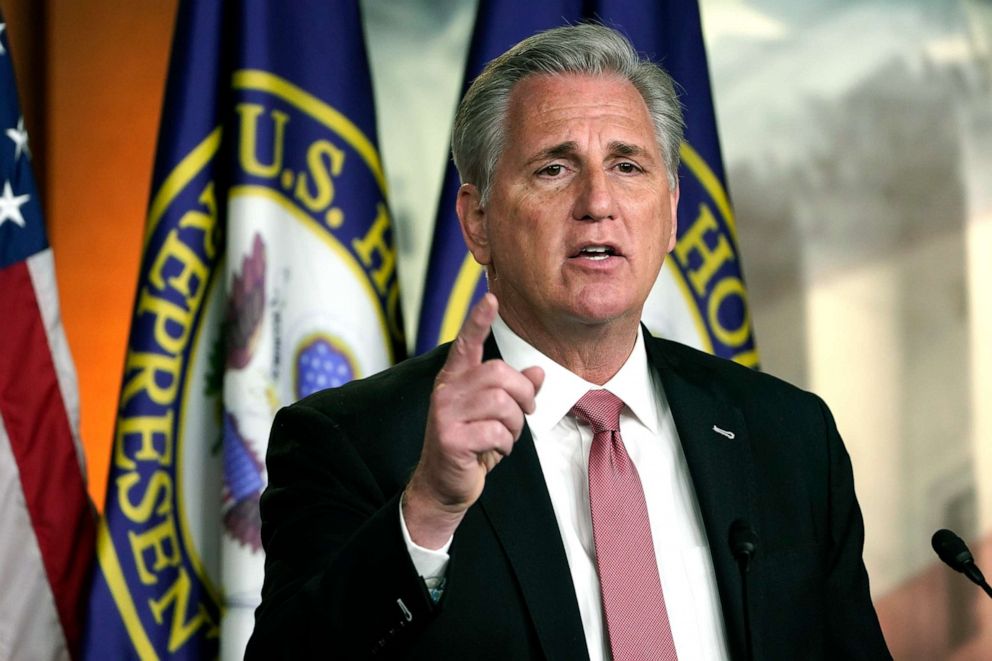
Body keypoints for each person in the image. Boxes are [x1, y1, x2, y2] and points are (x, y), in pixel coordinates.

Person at [246, 24, 891, 660]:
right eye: (554, 168)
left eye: (628, 166)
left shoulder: (789, 436)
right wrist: (428, 513)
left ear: (670, 212)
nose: (598, 203)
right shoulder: (353, 443)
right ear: (477, 221)